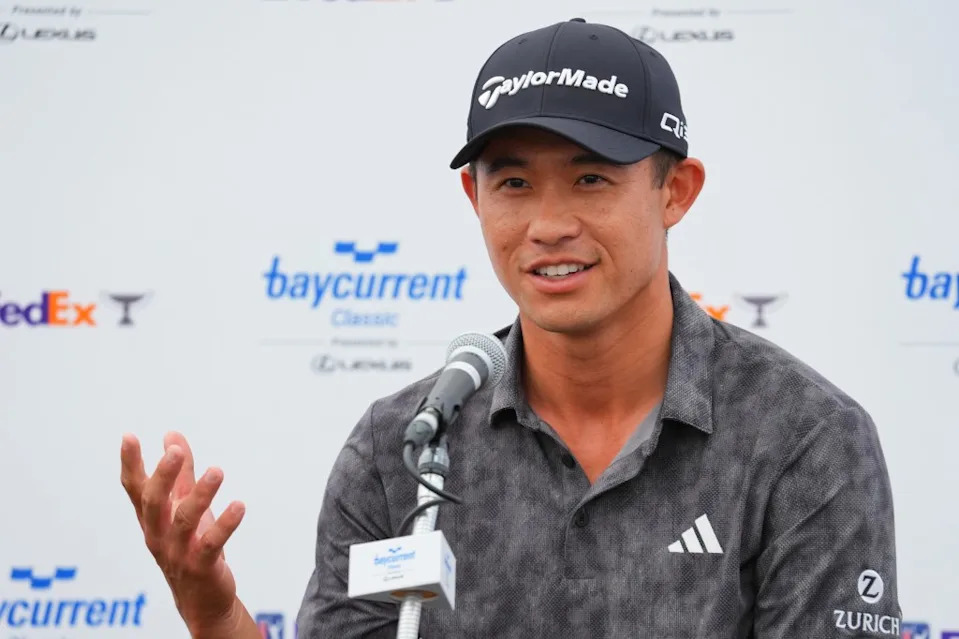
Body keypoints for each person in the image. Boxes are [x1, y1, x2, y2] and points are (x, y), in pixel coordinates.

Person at [119, 18, 902, 638]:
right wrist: (213, 615)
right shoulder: (400, 445)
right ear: (473, 198)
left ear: (676, 191)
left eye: (591, 178)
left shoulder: (804, 440)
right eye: (515, 183)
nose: (548, 223)